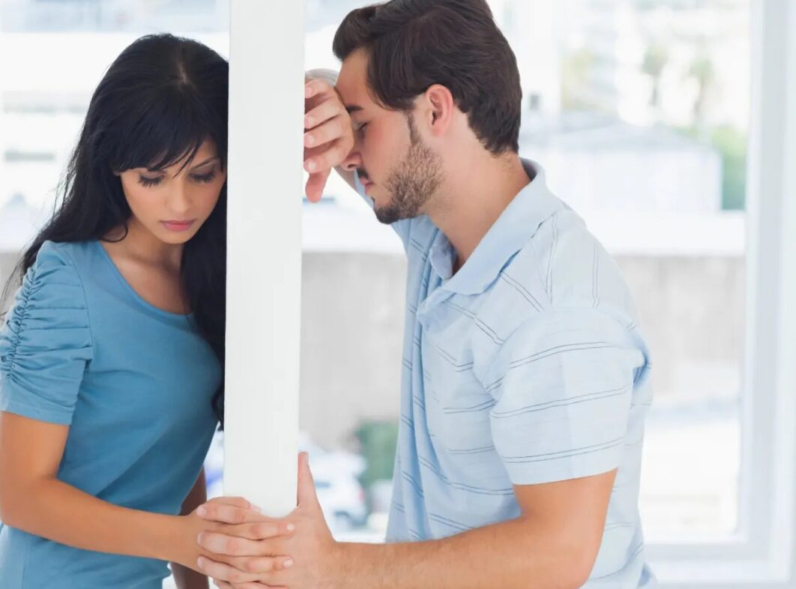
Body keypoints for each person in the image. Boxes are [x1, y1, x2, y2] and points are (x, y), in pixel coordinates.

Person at [193, 1, 656, 588]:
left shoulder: (556, 307)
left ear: (436, 109)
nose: (349, 153)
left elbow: (557, 555)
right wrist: (328, 106)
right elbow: (330, 96)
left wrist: (332, 567)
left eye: (361, 127)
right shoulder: (440, 227)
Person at [0, 34, 293, 589]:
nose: (180, 203)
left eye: (203, 174)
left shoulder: (215, 282)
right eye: (152, 178)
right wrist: (185, 540)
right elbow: (22, 496)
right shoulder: (67, 281)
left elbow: (169, 452)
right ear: (112, 165)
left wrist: (194, 575)